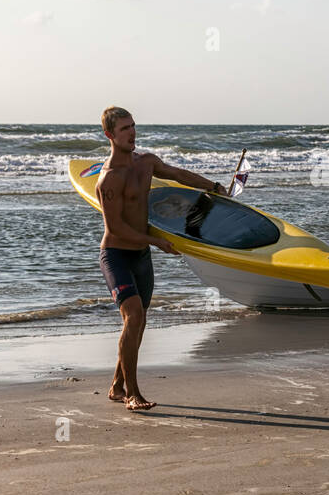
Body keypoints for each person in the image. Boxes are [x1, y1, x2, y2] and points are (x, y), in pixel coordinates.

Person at [95, 106, 229, 410]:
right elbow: (116, 231)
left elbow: (178, 175)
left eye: (133, 126)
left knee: (137, 324)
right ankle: (132, 394)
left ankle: (117, 385)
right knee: (135, 316)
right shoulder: (108, 181)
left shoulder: (146, 163)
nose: (132, 133)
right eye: (124, 129)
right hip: (116, 255)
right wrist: (158, 242)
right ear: (109, 135)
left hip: (141, 255)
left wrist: (214, 186)